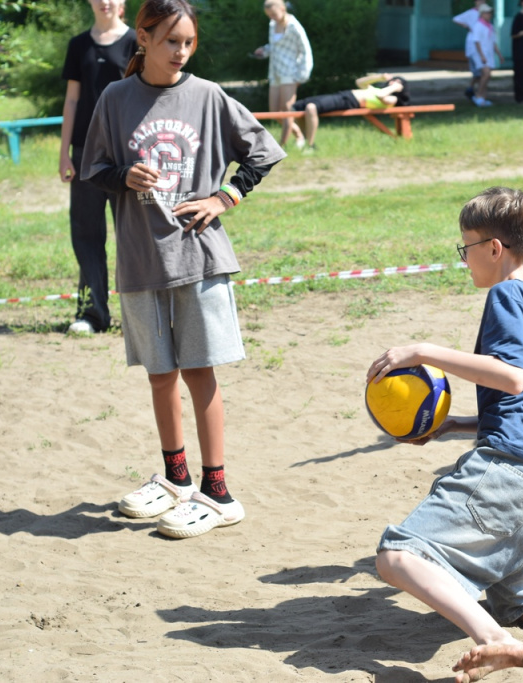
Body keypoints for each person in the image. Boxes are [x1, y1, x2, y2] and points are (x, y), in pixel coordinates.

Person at [367, 187, 523, 682]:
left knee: (397, 555)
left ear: (495, 248)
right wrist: (452, 426)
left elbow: (510, 378)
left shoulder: (506, 294)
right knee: (513, 594)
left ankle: (496, 642)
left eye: (466, 248)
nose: (464, 260)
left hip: (516, 472)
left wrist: (422, 349)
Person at [80, 0, 287, 538]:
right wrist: (124, 176)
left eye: (188, 42)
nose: (181, 52)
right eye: (171, 41)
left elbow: (263, 152)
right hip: (140, 259)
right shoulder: (115, 98)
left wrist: (224, 197)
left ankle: (217, 492)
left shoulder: (207, 96)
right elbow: (94, 168)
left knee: (199, 373)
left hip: (197, 257)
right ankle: (177, 482)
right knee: (159, 375)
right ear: (143, 39)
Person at [59, 0, 138, 336]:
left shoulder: (138, 41)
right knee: (87, 234)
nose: (106, 2)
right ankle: (93, 314)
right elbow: (72, 99)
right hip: (86, 155)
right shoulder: (78, 45)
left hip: (127, 154)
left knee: (136, 235)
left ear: (122, 3)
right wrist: (64, 153)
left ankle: (141, 314)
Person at [291, 73, 410, 151]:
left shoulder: (393, 99)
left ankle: (310, 146)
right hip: (344, 95)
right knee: (296, 107)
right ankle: (302, 139)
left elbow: (380, 95)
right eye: (394, 80)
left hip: (349, 101)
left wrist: (394, 88)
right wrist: (380, 77)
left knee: (311, 108)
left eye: (398, 82)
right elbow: (360, 82)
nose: (394, 82)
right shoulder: (377, 89)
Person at [253, 0, 312, 150]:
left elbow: (306, 51)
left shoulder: (294, 27)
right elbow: (273, 47)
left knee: (287, 110)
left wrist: (302, 76)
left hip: (290, 73)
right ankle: (299, 134)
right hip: (275, 73)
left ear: (282, 8)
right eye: (269, 15)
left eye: (273, 14)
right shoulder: (272, 25)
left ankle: (282, 145)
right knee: (274, 112)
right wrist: (263, 51)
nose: (271, 18)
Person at [471, 4, 502, 107]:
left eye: (490, 13)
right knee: (486, 74)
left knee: (487, 76)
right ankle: (478, 95)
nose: (489, 15)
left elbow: (493, 42)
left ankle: (483, 98)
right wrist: (482, 55)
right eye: (487, 13)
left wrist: (499, 55)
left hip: (489, 54)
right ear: (482, 14)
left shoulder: (490, 26)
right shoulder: (478, 26)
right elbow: (477, 42)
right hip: (481, 54)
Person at [452, 0, 482, 101]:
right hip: (473, 47)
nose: (481, 2)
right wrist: (466, 26)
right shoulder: (471, 12)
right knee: (479, 72)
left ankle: (473, 90)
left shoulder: (484, 14)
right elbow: (456, 19)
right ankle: (476, 92)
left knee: (480, 73)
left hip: (481, 47)